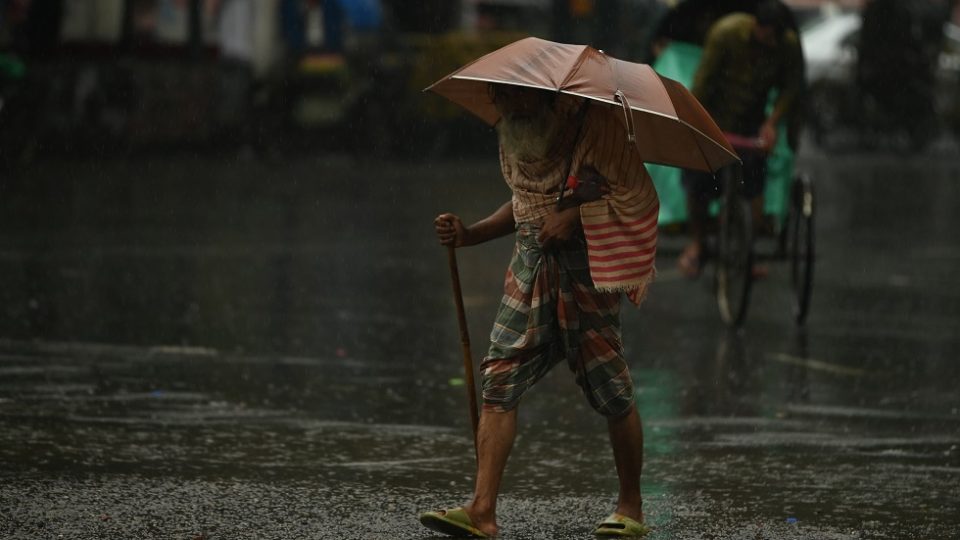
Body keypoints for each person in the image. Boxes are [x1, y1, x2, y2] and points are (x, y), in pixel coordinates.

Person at [420, 84, 659, 538]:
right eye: (500, 100)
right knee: (499, 377)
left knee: (611, 388)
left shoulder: (599, 129)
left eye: (517, 98)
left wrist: (575, 218)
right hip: (529, 266)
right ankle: (482, 510)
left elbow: (636, 197)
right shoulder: (514, 135)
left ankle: (631, 507)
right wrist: (470, 234)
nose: (508, 109)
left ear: (549, 98)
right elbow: (524, 205)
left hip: (589, 269)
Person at [677, 0, 803, 278]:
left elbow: (793, 88)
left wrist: (772, 124)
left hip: (751, 124)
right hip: (715, 119)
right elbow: (703, 83)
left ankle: (746, 245)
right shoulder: (726, 34)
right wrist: (697, 124)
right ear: (755, 26)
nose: (767, 44)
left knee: (753, 186)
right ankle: (698, 243)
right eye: (764, 36)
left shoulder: (788, 47)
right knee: (698, 184)